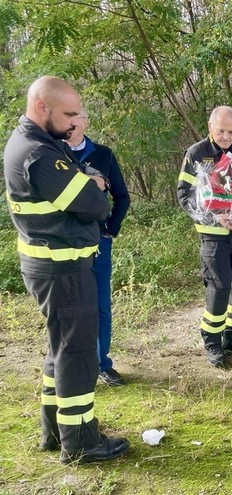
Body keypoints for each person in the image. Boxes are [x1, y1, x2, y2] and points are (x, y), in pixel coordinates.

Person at [3, 76, 129, 464]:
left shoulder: (37, 143)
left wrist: (88, 183)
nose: (76, 121)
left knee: (61, 348)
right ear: (42, 107)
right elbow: (95, 205)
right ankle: (81, 442)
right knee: (76, 353)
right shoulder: (39, 153)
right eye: (69, 113)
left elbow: (85, 195)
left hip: (56, 267)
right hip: (63, 271)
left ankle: (55, 431)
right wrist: (91, 184)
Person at [177, 106, 232, 368]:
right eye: (221, 131)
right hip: (213, 237)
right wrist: (215, 216)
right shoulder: (197, 153)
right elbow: (184, 196)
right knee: (219, 287)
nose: (226, 137)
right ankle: (212, 341)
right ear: (210, 126)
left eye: (231, 131)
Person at [65, 109, 131, 387]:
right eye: (65, 117)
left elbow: (122, 197)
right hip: (63, 244)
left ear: (85, 121)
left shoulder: (103, 154)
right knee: (69, 307)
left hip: (97, 242)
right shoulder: (50, 154)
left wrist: (109, 231)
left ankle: (102, 363)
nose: (70, 122)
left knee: (100, 305)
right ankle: (72, 368)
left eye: (75, 116)